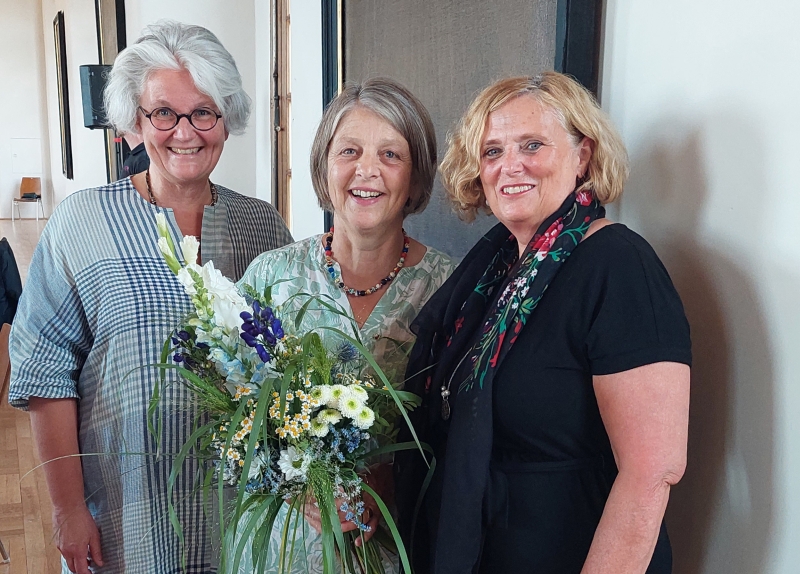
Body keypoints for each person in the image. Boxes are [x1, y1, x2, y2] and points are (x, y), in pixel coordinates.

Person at [8, 21, 292, 574]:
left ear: (226, 122)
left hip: (237, 512)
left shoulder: (261, 228)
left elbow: (283, 372)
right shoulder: (81, 221)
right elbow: (44, 372)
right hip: (124, 511)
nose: (184, 132)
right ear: (134, 124)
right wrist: (67, 510)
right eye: (164, 112)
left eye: (203, 111)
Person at [396, 71, 692, 574]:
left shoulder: (618, 266)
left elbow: (653, 469)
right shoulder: (491, 275)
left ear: (583, 155)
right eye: (492, 151)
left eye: (532, 144)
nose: (510, 165)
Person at [233, 77, 456, 573]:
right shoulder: (271, 278)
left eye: (391, 155)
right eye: (349, 150)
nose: (367, 170)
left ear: (416, 176)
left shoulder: (450, 290)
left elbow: (463, 438)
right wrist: (297, 481)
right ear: (323, 166)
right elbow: (231, 412)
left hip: (393, 549)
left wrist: (389, 481)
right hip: (282, 551)